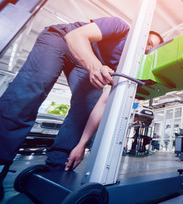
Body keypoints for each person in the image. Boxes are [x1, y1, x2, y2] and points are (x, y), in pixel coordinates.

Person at [0, 16, 163, 201]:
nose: (148, 48)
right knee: (32, 89)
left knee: (88, 103)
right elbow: (75, 37)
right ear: (139, 36)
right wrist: (95, 67)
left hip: (85, 64)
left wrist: (81, 144)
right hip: (62, 39)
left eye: (152, 48)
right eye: (147, 42)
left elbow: (101, 104)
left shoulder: (127, 66)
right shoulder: (120, 27)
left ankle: (57, 170)